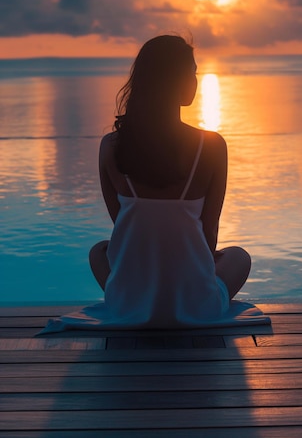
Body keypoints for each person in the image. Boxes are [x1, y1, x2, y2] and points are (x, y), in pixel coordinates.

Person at [88, 35, 251, 328]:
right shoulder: (212, 146)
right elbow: (208, 232)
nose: (196, 80)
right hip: (196, 305)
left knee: (98, 251)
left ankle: (140, 297)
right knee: (238, 257)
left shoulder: (110, 146)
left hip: (129, 303)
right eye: (192, 73)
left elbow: (123, 232)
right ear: (175, 80)